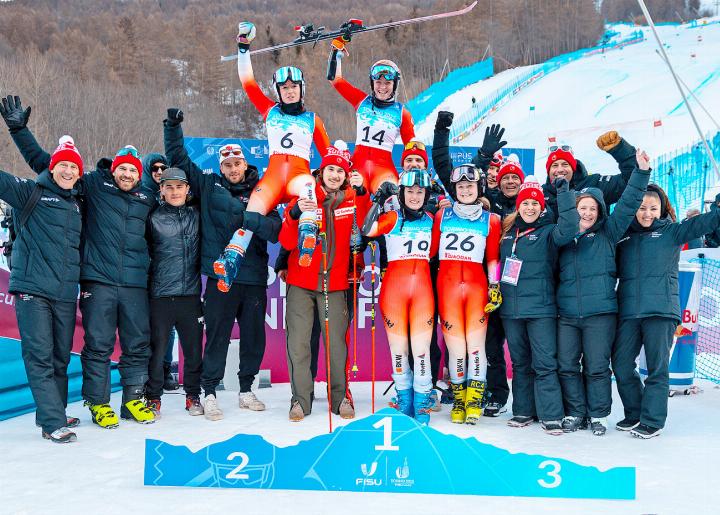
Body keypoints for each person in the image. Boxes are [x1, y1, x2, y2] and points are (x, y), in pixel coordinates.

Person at [3, 96, 157, 428]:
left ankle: (133, 400)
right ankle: (98, 404)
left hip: (130, 284)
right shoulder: (92, 186)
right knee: (98, 345)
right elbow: (50, 164)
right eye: (122, 169)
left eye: (133, 170)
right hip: (95, 282)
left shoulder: (148, 197)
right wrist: (19, 130)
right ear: (113, 170)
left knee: (135, 343)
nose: (127, 174)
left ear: (139, 175)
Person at [164, 109, 281, 421]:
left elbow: (275, 231)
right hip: (220, 279)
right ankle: (210, 392)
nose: (232, 169)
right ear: (221, 167)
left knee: (255, 337)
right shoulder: (207, 187)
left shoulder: (263, 191)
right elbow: (178, 158)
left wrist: (249, 219)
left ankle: (246, 390)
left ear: (245, 164)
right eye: (227, 164)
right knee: (217, 335)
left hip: (254, 278)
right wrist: (173, 127)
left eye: (237, 163)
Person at [213, 21, 331, 289]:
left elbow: (329, 157)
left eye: (293, 87)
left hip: (299, 176)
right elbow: (248, 83)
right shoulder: (271, 112)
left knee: (309, 189)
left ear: (301, 89)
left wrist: (331, 173)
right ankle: (231, 257)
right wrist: (244, 47)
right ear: (279, 92)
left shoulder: (314, 120)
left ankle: (308, 235)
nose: (289, 92)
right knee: (253, 208)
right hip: (274, 176)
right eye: (284, 88)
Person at [613, 184, 720, 438]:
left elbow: (703, 223)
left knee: (656, 367)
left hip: (660, 311)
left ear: (661, 210)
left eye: (653, 208)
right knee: (621, 364)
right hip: (628, 311)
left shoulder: (671, 232)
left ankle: (652, 420)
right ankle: (635, 413)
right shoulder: (624, 237)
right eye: (641, 208)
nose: (647, 213)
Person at [557, 150, 651, 436]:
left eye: (592, 208)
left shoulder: (608, 234)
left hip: (600, 313)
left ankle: (598, 414)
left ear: (599, 211)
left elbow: (628, 203)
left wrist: (642, 173)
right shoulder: (563, 237)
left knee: (598, 366)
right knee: (568, 366)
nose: (586, 213)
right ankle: (576, 411)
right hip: (567, 314)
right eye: (581, 207)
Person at [0, 127, 82, 443]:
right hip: (32, 288)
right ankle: (51, 423)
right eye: (62, 164)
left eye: (73, 166)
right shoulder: (30, 192)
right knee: (40, 355)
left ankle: (54, 410)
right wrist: (19, 131)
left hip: (63, 292)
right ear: (51, 166)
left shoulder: (78, 202)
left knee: (61, 354)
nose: (67, 170)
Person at [281, 142, 369, 421]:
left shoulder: (352, 200)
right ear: (322, 171)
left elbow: (369, 225)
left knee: (336, 345)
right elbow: (284, 240)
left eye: (340, 171)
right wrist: (294, 216)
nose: (334, 175)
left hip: (336, 283)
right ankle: (300, 400)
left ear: (346, 175)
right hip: (301, 281)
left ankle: (341, 397)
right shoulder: (305, 197)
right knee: (299, 343)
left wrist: (364, 191)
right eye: (330, 169)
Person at [434, 111, 510, 417]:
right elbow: (431, 255)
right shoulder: (442, 215)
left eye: (470, 187)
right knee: (455, 347)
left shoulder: (491, 220)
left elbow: (492, 257)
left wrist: (494, 286)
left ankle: (475, 399)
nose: (465, 191)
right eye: (461, 188)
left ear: (479, 189)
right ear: (455, 191)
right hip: (448, 288)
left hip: (477, 290)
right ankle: (460, 395)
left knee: (476, 346)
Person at [498, 177, 578, 434]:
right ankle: (523, 411)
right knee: (520, 363)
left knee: (544, 363)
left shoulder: (549, 232)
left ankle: (551, 415)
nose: (530, 208)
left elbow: (570, 227)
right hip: (511, 310)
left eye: (535, 203)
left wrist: (563, 192)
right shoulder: (508, 234)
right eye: (526, 203)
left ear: (541, 207)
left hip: (541, 309)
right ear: (518, 206)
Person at [362, 169, 438, 424]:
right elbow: (367, 229)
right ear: (402, 193)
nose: (415, 196)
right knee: (398, 350)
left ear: (425, 193)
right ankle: (404, 399)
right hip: (394, 291)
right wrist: (376, 201)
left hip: (423, 294)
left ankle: (422, 401)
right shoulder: (393, 218)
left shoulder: (432, 219)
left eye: (419, 191)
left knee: (421, 351)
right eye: (410, 191)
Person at [144, 168, 204, 418]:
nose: (175, 191)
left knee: (192, 350)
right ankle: (153, 397)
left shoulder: (197, 214)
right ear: (161, 189)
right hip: (160, 294)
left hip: (190, 294)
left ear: (187, 189)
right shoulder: (153, 217)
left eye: (179, 187)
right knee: (157, 351)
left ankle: (193, 395)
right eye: (169, 187)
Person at [327, 37, 414, 194]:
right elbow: (336, 81)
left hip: (383, 171)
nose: (382, 87)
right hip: (358, 167)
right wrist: (336, 51)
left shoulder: (402, 113)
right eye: (378, 82)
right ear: (372, 83)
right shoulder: (362, 101)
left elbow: (412, 149)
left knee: (390, 198)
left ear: (395, 85)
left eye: (387, 83)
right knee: (352, 200)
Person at [141, 153, 180, 391]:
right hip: (143, 270)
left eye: (162, 167)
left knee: (169, 326)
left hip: (169, 270)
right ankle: (147, 373)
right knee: (146, 326)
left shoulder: (173, 196)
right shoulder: (142, 194)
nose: (158, 171)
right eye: (154, 167)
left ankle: (165, 370)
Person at [542, 132, 638, 220]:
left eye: (565, 164)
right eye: (554, 165)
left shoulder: (595, 184)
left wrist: (620, 149)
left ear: (573, 167)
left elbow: (632, 180)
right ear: (548, 170)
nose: (560, 169)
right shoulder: (542, 193)